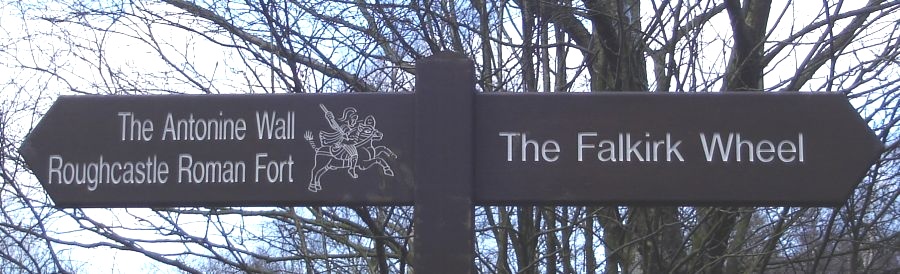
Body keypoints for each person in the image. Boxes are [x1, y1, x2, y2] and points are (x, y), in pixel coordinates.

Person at [319, 104, 361, 178]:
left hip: (343, 145)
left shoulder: (349, 128)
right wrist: (330, 118)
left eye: (356, 119)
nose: (355, 121)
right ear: (348, 118)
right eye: (354, 119)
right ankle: (352, 169)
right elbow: (334, 126)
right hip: (339, 147)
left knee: (353, 149)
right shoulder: (345, 127)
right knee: (354, 153)